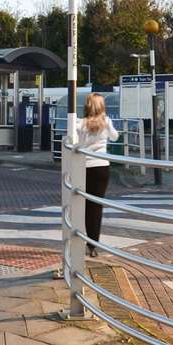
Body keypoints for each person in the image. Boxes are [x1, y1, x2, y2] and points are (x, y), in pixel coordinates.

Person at [75, 93, 119, 258]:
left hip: (85, 167)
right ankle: (93, 244)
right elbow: (115, 137)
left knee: (85, 205)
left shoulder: (81, 123)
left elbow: (76, 142)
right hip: (102, 168)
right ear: (101, 106)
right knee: (97, 206)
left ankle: (83, 238)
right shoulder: (106, 122)